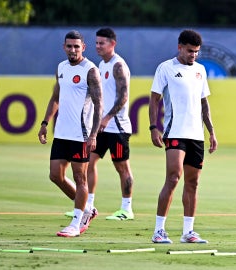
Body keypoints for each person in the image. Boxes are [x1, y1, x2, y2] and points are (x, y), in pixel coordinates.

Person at [149, 29, 218, 244]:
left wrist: (212, 131)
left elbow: (204, 103)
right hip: (175, 132)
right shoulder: (166, 68)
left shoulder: (200, 70)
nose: (193, 56)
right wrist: (153, 127)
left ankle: (188, 232)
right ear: (180, 47)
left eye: (196, 52)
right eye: (190, 51)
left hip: (196, 134)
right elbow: (154, 99)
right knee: (173, 178)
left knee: (193, 183)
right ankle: (159, 231)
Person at [38, 30, 103, 237]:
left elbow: (99, 105)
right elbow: (55, 97)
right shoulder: (61, 68)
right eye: (69, 46)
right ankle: (87, 210)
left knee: (80, 177)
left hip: (81, 134)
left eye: (77, 46)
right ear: (64, 47)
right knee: (55, 175)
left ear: (83, 47)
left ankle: (76, 224)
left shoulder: (90, 70)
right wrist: (45, 122)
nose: (73, 50)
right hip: (62, 133)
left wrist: (93, 135)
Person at [85, 27, 135, 221]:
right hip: (102, 127)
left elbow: (123, 98)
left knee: (121, 167)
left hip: (117, 127)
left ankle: (126, 208)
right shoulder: (101, 64)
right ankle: (88, 205)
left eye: (102, 43)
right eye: (96, 43)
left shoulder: (118, 66)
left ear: (112, 44)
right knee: (88, 162)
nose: (98, 46)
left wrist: (107, 118)